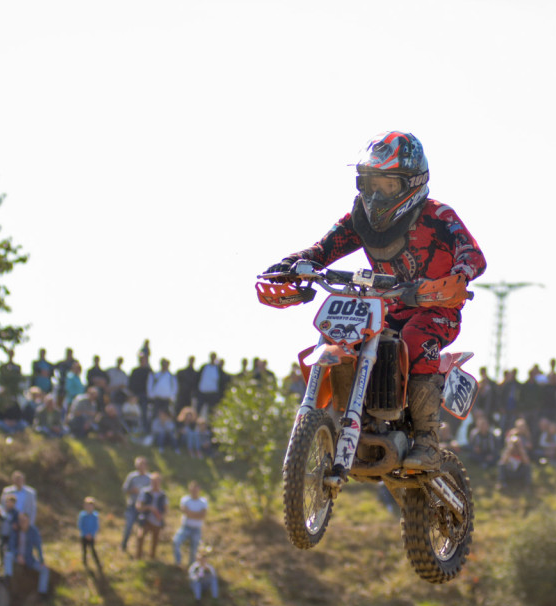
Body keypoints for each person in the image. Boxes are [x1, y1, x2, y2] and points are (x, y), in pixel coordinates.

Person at [262, 131, 486, 472]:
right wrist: (293, 263)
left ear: (413, 183)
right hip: (386, 306)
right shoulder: (360, 219)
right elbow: (323, 249)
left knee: (414, 341)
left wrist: (458, 276)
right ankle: (351, 419)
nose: (377, 195)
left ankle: (426, 440)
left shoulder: (437, 216)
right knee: (348, 337)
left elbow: (473, 255)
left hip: (436, 307)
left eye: (388, 185)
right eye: (371, 184)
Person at [5, 514, 50, 596]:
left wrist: (41, 560)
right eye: (21, 521)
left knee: (45, 570)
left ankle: (42, 593)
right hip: (16, 556)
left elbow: (38, 546)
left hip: (29, 559)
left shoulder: (33, 531)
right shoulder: (15, 530)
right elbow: (11, 545)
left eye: (25, 521)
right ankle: (8, 578)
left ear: (28, 522)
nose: (23, 523)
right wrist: (18, 555)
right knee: (8, 555)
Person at [173, 481, 208, 567]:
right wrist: (197, 514)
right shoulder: (185, 499)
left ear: (199, 490)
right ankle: (178, 563)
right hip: (185, 527)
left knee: (194, 550)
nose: (194, 491)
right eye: (192, 489)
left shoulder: (203, 501)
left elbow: (202, 515)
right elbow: (185, 512)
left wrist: (190, 513)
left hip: (196, 529)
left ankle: (191, 567)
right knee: (176, 541)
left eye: (196, 490)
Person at [121, 457, 152, 551]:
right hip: (132, 506)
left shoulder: (150, 478)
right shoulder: (132, 476)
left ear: (146, 466)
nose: (140, 467)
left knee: (142, 529)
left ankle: (139, 549)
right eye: (138, 465)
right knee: (129, 526)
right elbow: (124, 489)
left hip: (143, 508)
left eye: (142, 465)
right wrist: (132, 491)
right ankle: (124, 545)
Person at [135, 473, 168, 560]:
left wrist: (161, 516)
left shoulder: (163, 495)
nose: (155, 484)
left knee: (155, 540)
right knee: (140, 536)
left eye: (157, 482)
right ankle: (138, 557)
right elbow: (139, 506)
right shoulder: (145, 492)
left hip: (157, 521)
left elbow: (166, 509)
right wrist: (149, 507)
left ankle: (152, 557)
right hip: (146, 519)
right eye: (153, 482)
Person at [78, 496, 101, 570]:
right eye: (87, 506)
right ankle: (85, 562)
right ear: (85, 506)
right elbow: (80, 525)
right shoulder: (82, 515)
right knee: (84, 550)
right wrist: (86, 534)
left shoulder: (95, 516)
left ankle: (97, 563)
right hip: (84, 536)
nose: (89, 507)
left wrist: (91, 534)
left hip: (91, 536)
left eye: (91, 506)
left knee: (93, 549)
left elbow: (96, 526)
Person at [0, 494, 20, 563]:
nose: (9, 504)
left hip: (11, 533)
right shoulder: (4, 511)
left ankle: (10, 562)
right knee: (1, 546)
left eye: (11, 502)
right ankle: (1, 561)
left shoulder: (15, 513)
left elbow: (15, 523)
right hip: (3, 532)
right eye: (8, 502)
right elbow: (0, 519)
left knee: (10, 548)